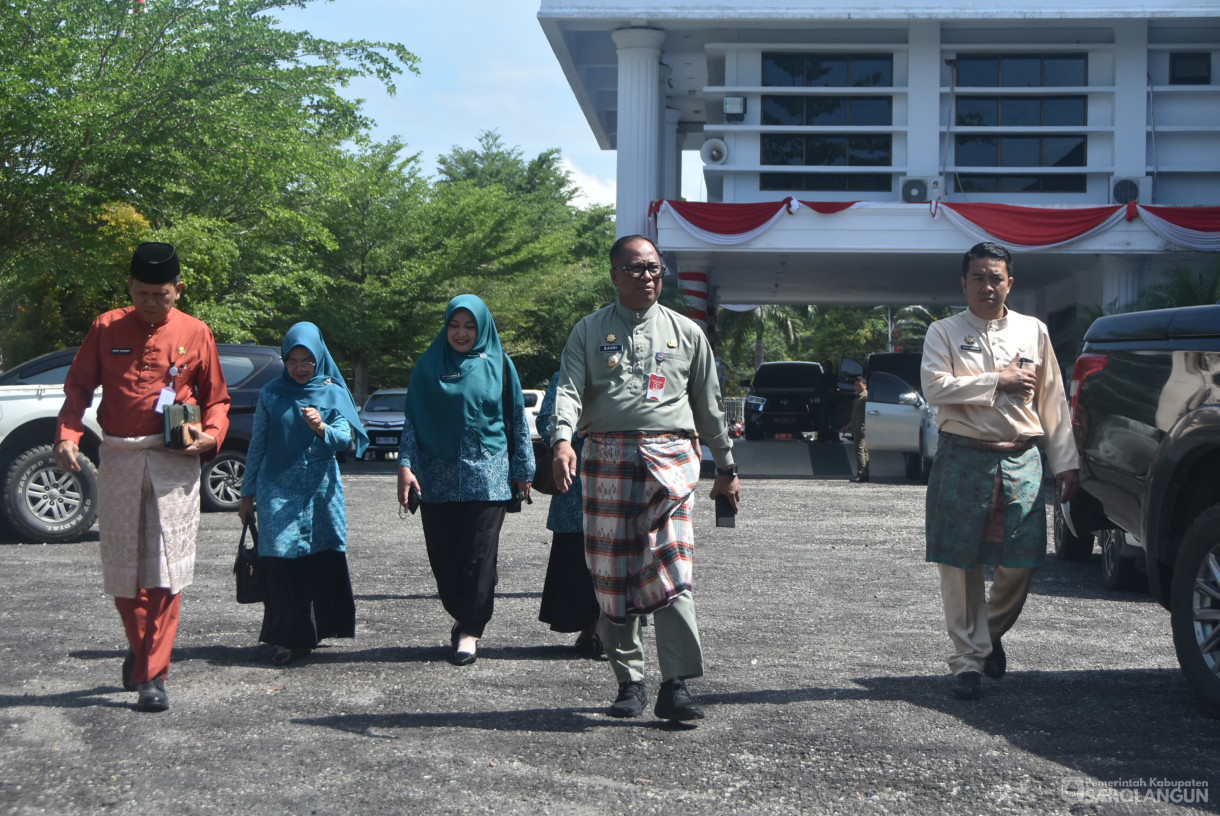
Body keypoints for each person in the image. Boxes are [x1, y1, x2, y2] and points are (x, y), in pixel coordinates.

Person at [550, 234, 741, 723]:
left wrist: (726, 467)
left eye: (655, 268)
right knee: (612, 573)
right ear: (614, 275)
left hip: (672, 459)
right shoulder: (588, 331)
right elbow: (568, 390)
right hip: (607, 457)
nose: (648, 277)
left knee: (671, 567)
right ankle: (628, 683)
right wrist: (563, 440)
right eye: (636, 269)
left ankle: (675, 685)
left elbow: (710, 406)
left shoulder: (687, 333)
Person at [54, 242, 231, 713]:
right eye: (142, 293)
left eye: (161, 294)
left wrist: (211, 437)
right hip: (120, 456)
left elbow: (217, 400)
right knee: (123, 567)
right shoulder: (105, 326)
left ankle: (152, 673)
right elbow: (77, 387)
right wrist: (68, 435)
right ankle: (142, 647)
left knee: (167, 568)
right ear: (129, 286)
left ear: (179, 289)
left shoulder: (197, 332)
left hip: (174, 461)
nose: (151, 303)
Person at [921, 241, 1079, 701]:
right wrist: (998, 381)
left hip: (1020, 456)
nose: (987, 286)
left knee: (1023, 558)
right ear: (964, 283)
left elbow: (1052, 399)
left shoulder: (1034, 331)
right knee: (959, 561)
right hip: (962, 455)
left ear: (1010, 282)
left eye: (995, 277)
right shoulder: (943, 332)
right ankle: (967, 662)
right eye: (978, 277)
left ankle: (986, 633)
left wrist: (1066, 460)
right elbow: (935, 387)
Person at [396, 295, 534, 666]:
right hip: (436, 477)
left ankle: (471, 629)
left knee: (479, 555)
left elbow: (517, 419)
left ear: (482, 327)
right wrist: (405, 466)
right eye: (454, 325)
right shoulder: (428, 365)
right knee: (445, 558)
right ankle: (463, 615)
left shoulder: (500, 365)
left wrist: (523, 469)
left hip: (486, 475)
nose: (461, 333)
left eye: (469, 326)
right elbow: (412, 421)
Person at [238, 322, 368, 666]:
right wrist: (246, 492)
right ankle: (286, 638)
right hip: (276, 487)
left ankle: (316, 631)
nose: (299, 367)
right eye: (292, 360)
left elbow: (346, 438)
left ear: (319, 359)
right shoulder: (271, 393)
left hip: (320, 490)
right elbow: (258, 445)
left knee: (319, 557)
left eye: (307, 360)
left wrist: (321, 427)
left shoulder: (332, 390)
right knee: (281, 560)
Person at [535, 372, 601, 656]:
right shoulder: (566, 373)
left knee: (620, 556)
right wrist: (576, 431)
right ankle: (589, 630)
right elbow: (543, 420)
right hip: (575, 484)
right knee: (578, 559)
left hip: (621, 473)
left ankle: (609, 630)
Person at [840, 376, 869, 482]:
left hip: (861, 428)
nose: (857, 387)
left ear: (865, 385)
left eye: (859, 385)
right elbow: (856, 415)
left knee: (859, 450)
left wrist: (864, 427)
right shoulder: (858, 397)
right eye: (856, 385)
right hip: (856, 427)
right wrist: (848, 426)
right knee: (863, 451)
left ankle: (861, 474)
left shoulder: (865, 397)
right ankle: (865, 473)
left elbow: (866, 414)